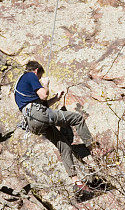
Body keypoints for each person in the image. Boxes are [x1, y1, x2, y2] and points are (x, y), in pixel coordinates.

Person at [14, 60, 95, 194]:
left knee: (64, 146)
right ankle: (93, 149)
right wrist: (45, 85)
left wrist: (57, 98)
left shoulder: (20, 87)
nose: (38, 80)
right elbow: (43, 95)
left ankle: (76, 182)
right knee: (78, 118)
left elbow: (43, 104)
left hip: (32, 122)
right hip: (38, 114)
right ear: (36, 71)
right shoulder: (30, 75)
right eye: (39, 77)